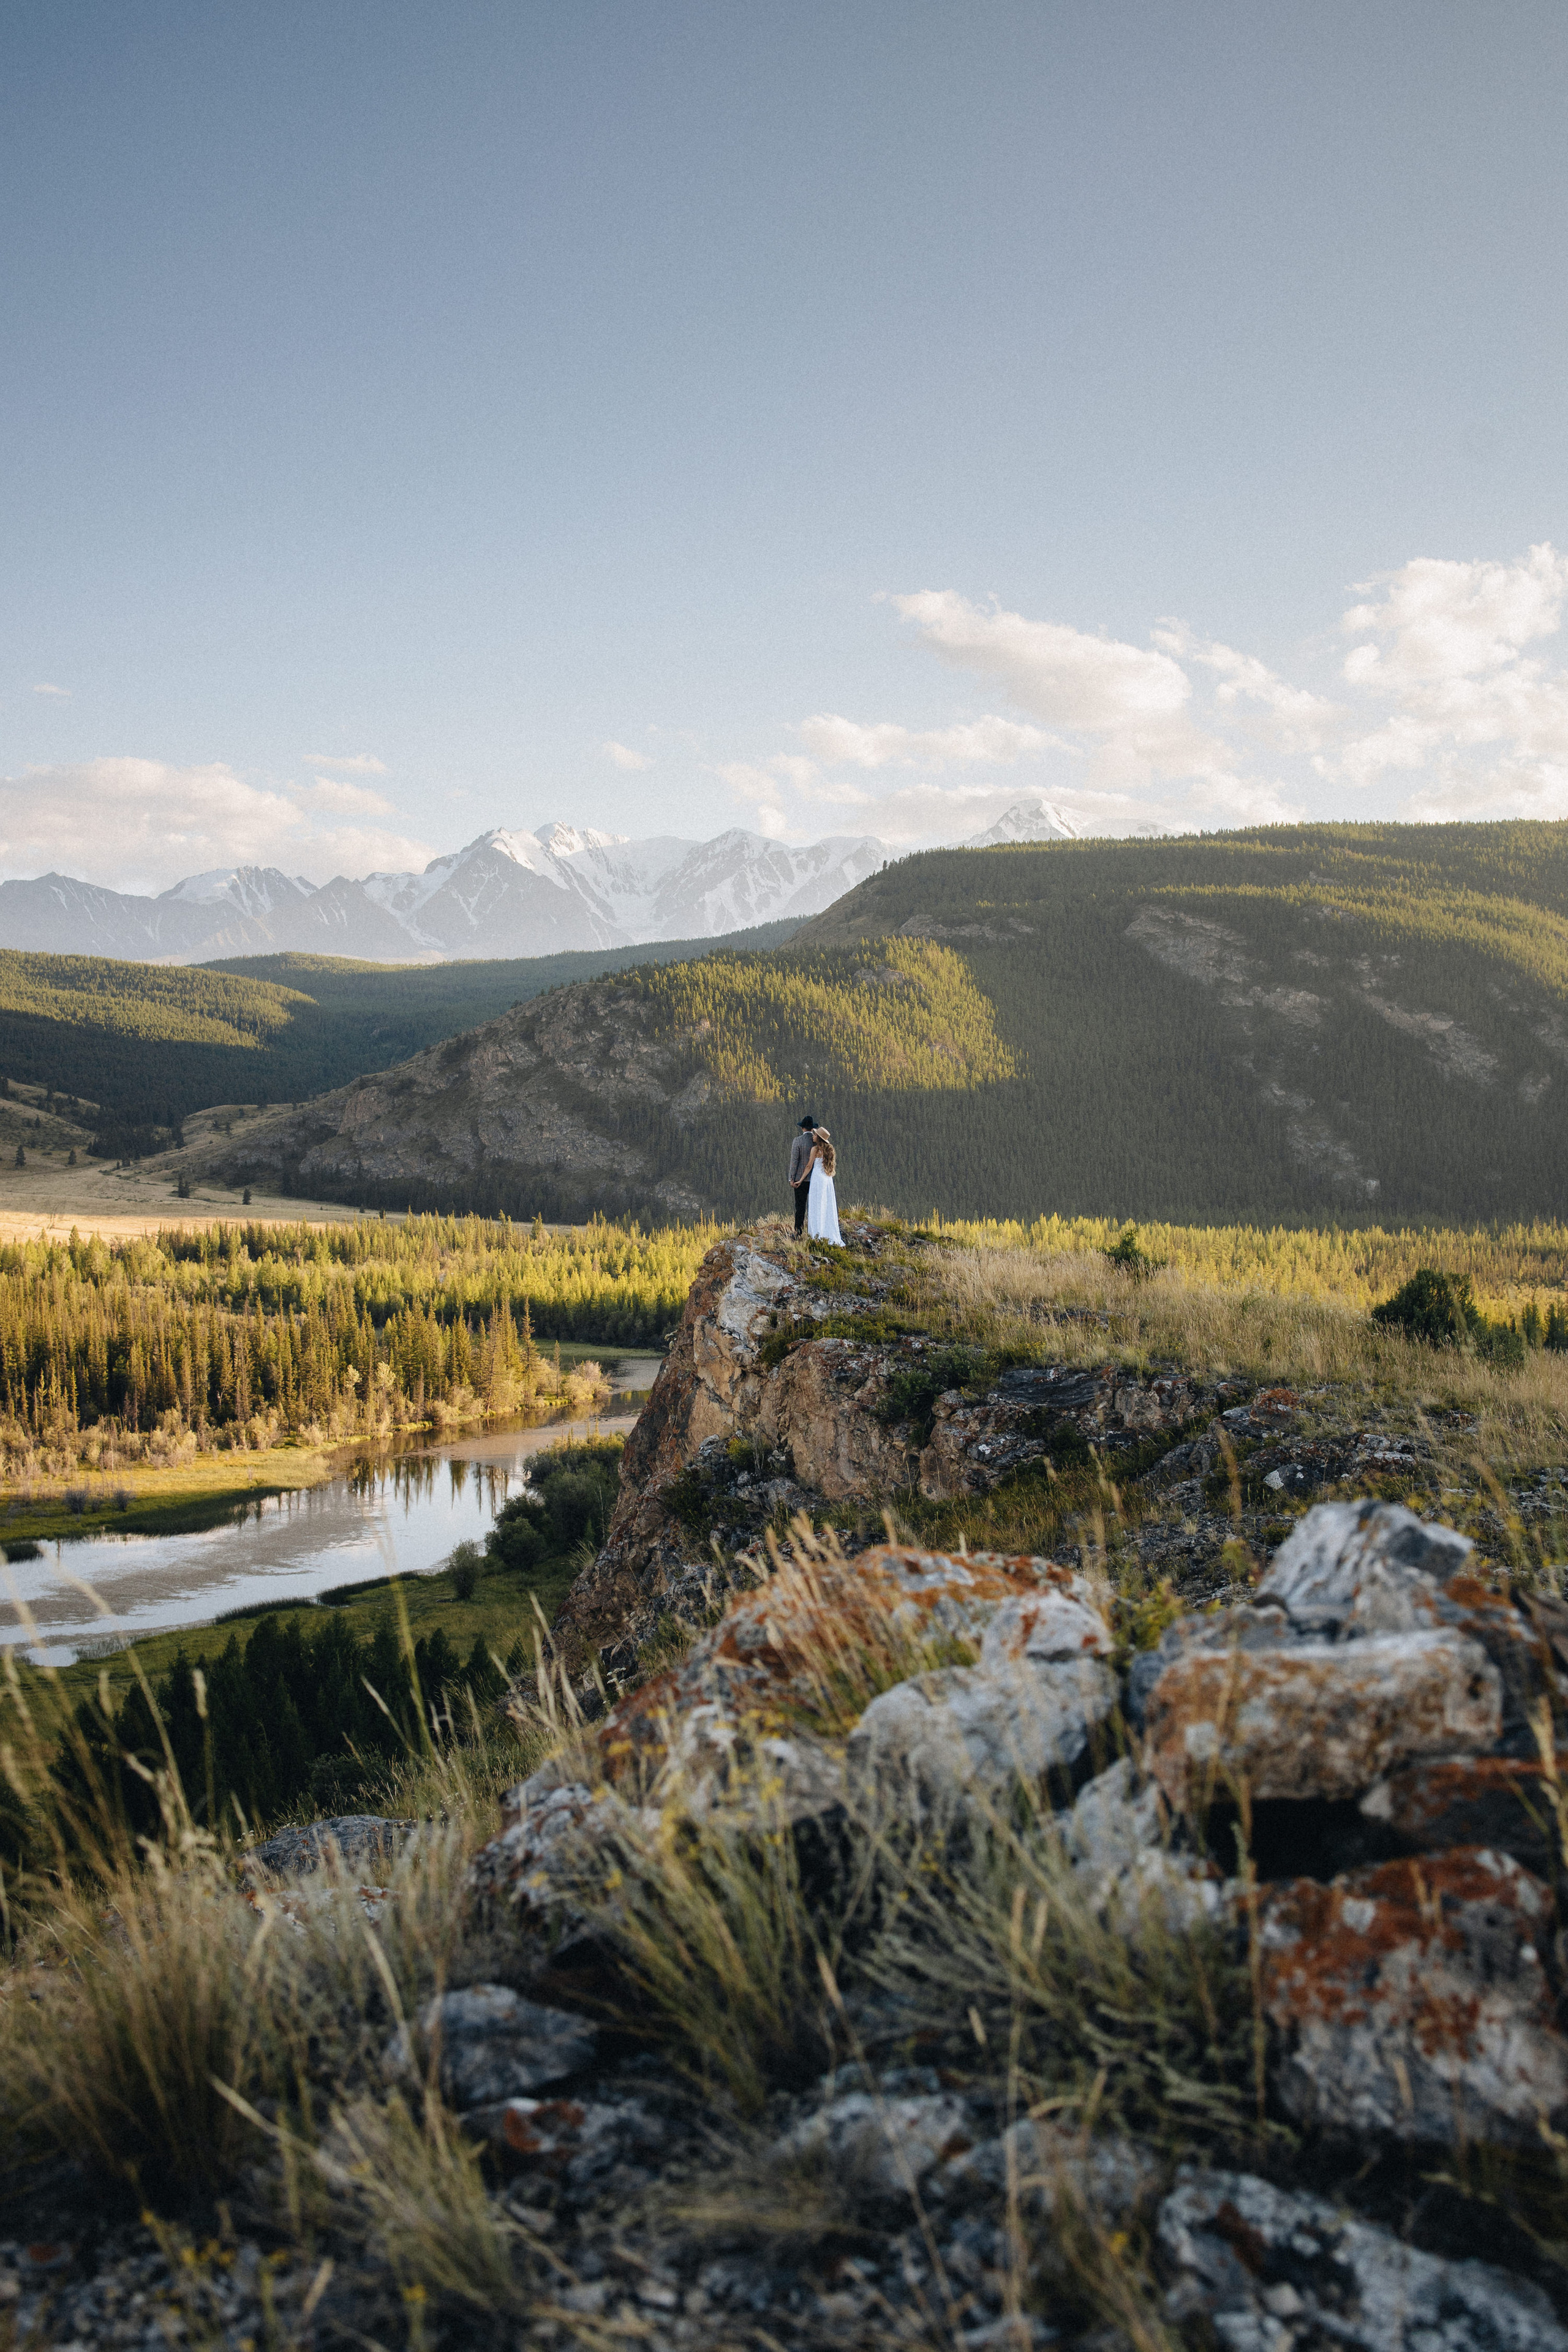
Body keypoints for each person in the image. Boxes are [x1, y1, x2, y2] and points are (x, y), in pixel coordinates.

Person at [806, 1127, 843, 1245]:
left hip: (817, 1179)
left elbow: (809, 1166)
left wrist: (800, 1179)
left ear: (818, 1138)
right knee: (827, 1205)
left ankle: (817, 1234)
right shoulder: (828, 1150)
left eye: (815, 1135)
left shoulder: (815, 1150)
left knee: (816, 1204)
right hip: (827, 1179)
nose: (813, 1136)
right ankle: (828, 1233)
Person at [789, 1112, 816, 1234]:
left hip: (800, 1178)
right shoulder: (817, 1141)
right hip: (815, 1178)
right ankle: (814, 1231)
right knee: (814, 1206)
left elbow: (795, 1161)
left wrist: (792, 1178)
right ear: (813, 1128)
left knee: (800, 1207)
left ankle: (798, 1232)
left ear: (802, 1128)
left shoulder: (798, 1141)